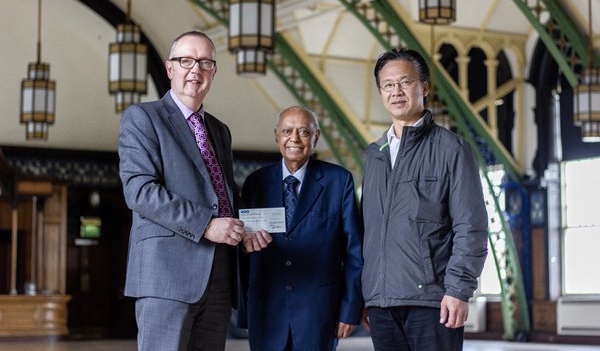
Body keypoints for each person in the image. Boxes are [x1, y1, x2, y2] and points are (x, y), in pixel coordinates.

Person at [119, 31, 254, 351]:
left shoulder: (219, 131)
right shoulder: (143, 118)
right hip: (166, 276)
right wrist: (206, 224)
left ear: (214, 72)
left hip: (219, 276)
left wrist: (249, 227)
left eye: (205, 62)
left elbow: (224, 193)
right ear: (170, 69)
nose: (196, 70)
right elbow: (139, 190)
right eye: (186, 61)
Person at [361, 48, 488, 351]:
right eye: (388, 85)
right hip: (381, 302)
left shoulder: (452, 149)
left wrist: (458, 290)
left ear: (425, 87)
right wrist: (365, 295)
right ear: (381, 92)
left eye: (405, 82)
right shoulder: (373, 155)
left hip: (433, 302)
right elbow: (368, 231)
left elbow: (470, 226)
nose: (396, 91)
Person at [240, 106, 363, 351]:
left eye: (304, 132)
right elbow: (244, 254)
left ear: (316, 137)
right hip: (266, 312)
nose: (294, 138)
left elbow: (354, 253)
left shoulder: (339, 181)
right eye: (287, 131)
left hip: (318, 314)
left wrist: (349, 310)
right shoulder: (255, 182)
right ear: (276, 136)